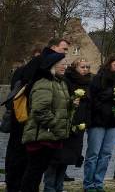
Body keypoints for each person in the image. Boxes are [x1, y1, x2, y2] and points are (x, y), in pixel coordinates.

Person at [5, 38, 71, 192]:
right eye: (64, 49)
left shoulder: (55, 79)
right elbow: (40, 107)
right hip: (34, 128)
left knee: (33, 167)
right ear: (54, 48)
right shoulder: (43, 75)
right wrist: (55, 124)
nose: (65, 55)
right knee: (30, 167)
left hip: (37, 128)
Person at [44, 58, 91, 192]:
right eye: (82, 67)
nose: (86, 69)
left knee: (66, 158)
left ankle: (59, 187)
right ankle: (49, 188)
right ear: (74, 67)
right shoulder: (66, 81)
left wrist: (86, 122)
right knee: (55, 158)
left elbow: (89, 106)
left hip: (79, 126)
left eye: (87, 67)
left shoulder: (88, 83)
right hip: (64, 124)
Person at [84, 55, 115, 192]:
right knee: (93, 153)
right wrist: (107, 98)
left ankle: (98, 182)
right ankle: (88, 183)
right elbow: (91, 98)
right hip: (98, 120)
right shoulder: (98, 78)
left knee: (106, 153)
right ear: (109, 64)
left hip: (114, 121)